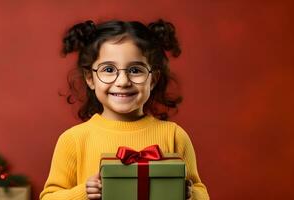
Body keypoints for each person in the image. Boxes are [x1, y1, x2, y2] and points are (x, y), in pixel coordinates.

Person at [40, 19, 209, 200]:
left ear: (153, 79)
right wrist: (83, 193)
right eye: (109, 69)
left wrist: (191, 194)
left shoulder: (174, 136)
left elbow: (201, 191)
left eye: (135, 70)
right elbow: (49, 197)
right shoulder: (73, 140)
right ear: (90, 78)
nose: (123, 82)